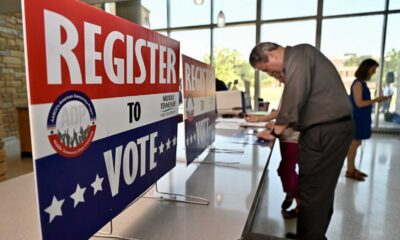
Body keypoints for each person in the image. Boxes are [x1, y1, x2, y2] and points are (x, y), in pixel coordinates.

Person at [249, 42, 354, 240]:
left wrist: (277, 131)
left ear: (271, 55)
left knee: (313, 192)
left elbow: (294, 95)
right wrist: (278, 126)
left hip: (325, 131)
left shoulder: (299, 54)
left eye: (265, 70)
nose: (269, 74)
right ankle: (309, 235)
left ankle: (311, 237)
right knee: (318, 190)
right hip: (324, 130)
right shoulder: (301, 60)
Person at [246, 102, 300, 219]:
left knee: (286, 170)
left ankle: (300, 204)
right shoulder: (289, 86)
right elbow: (282, 111)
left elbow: (293, 113)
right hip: (286, 136)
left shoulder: (295, 84)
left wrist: (275, 130)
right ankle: (290, 193)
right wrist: (261, 119)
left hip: (293, 137)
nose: (277, 81)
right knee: (284, 170)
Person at [346, 59, 390, 181]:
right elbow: (359, 103)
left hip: (361, 117)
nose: (374, 72)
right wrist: (377, 99)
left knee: (356, 143)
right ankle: (350, 170)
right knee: (354, 145)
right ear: (366, 69)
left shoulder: (362, 83)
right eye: (373, 69)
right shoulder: (358, 84)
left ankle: (352, 168)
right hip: (357, 118)